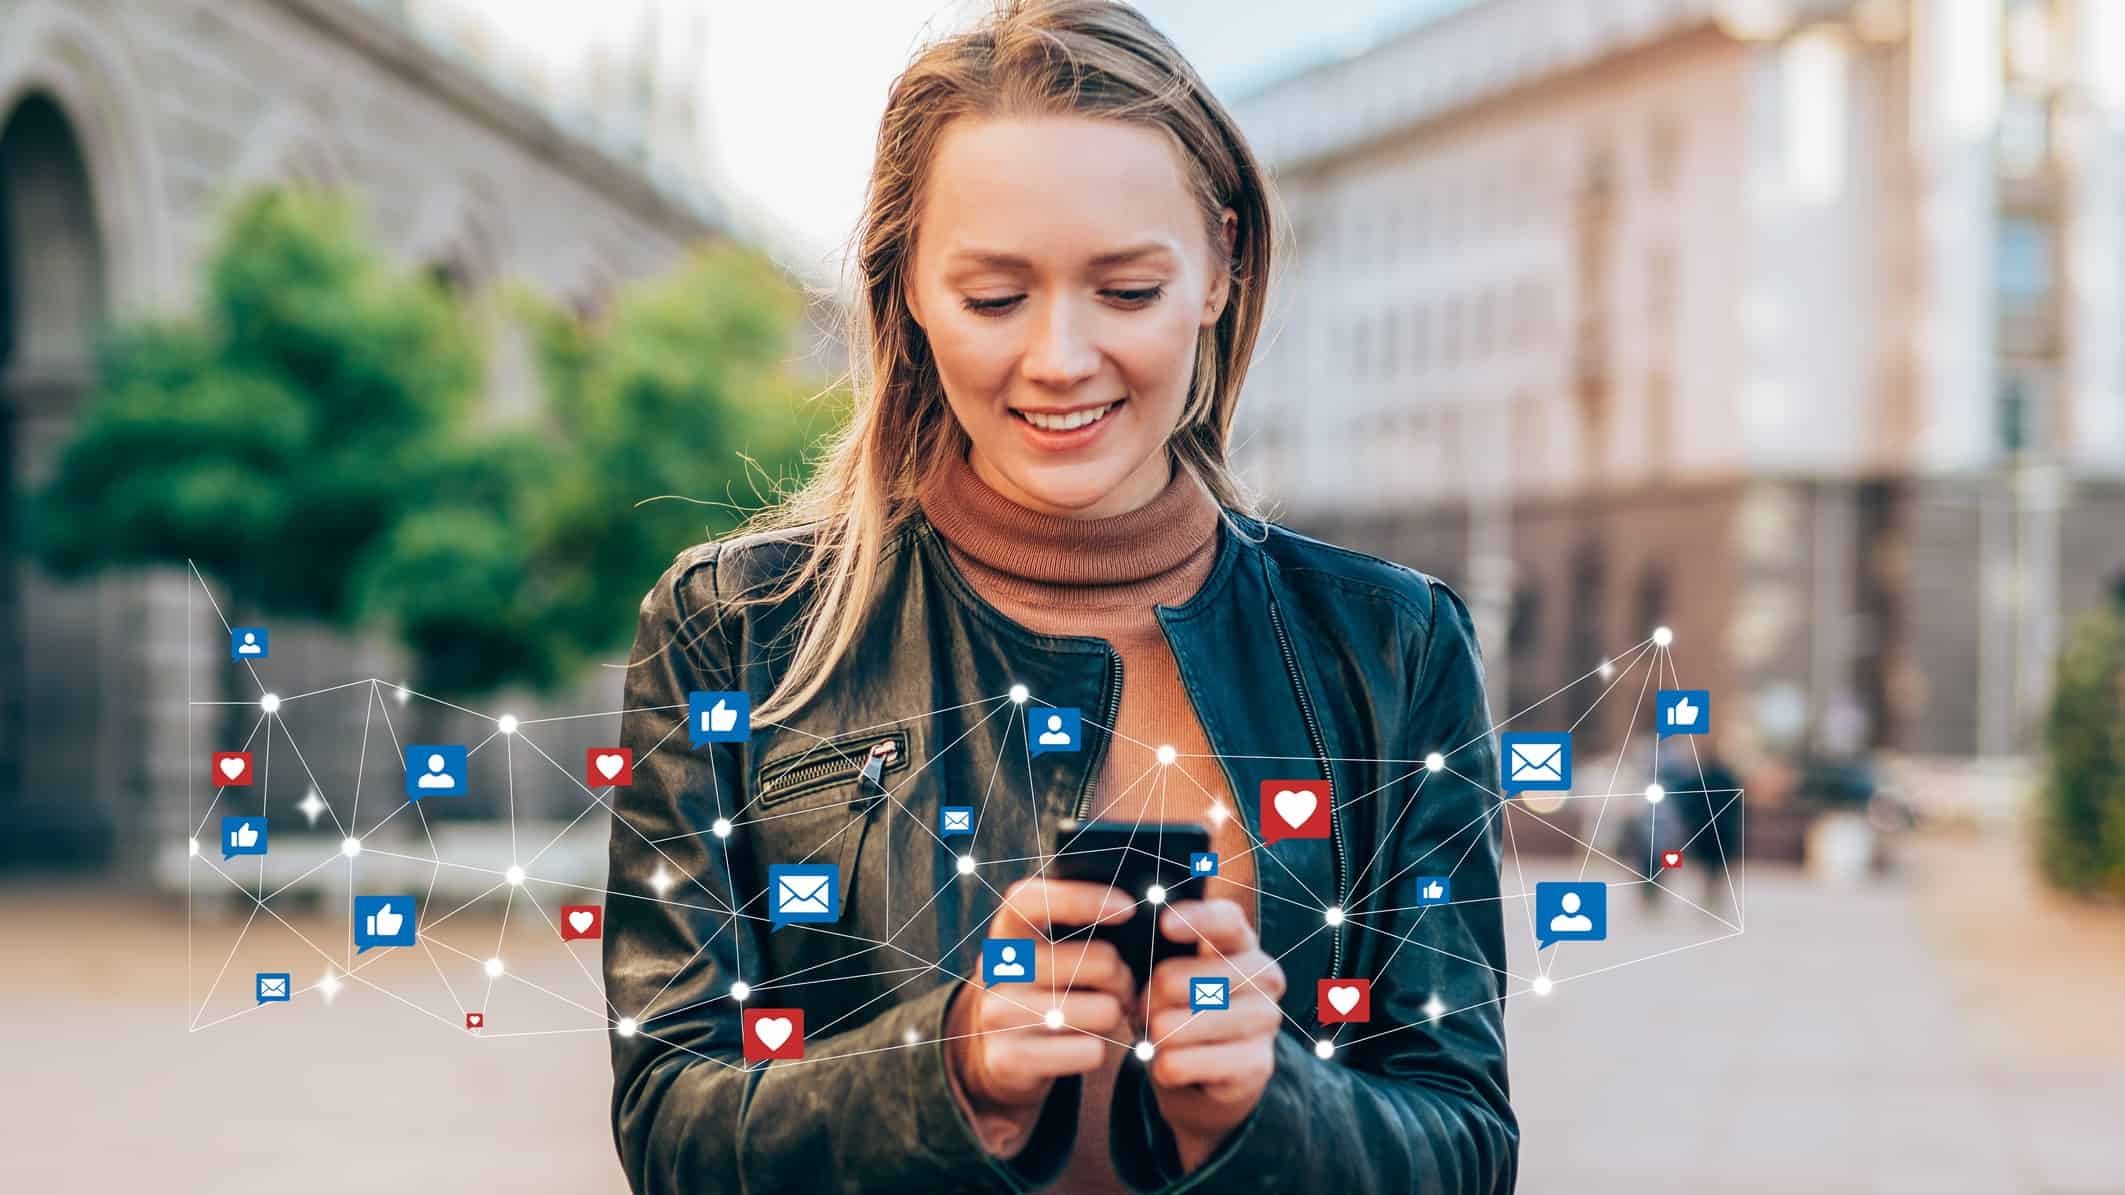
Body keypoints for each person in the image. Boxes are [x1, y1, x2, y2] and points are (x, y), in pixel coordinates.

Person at [603, 3, 1516, 1191]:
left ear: (1220, 269)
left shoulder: (1391, 646)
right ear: (907, 283)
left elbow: (1466, 1139)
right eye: (994, 298)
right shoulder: (733, 632)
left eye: (1127, 290)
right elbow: (670, 1124)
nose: (1059, 359)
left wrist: (1269, 1103)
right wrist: (951, 1066)